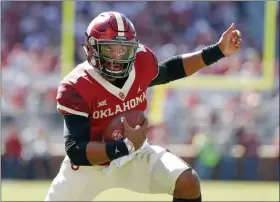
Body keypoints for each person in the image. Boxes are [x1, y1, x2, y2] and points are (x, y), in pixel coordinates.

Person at [45, 11, 242, 201]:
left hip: (134, 154)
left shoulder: (141, 61)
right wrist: (125, 145)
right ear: (91, 48)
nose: (117, 57)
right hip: (91, 164)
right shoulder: (76, 85)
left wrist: (218, 51)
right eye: (109, 49)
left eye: (123, 50)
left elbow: (170, 70)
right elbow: (77, 151)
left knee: (187, 182)